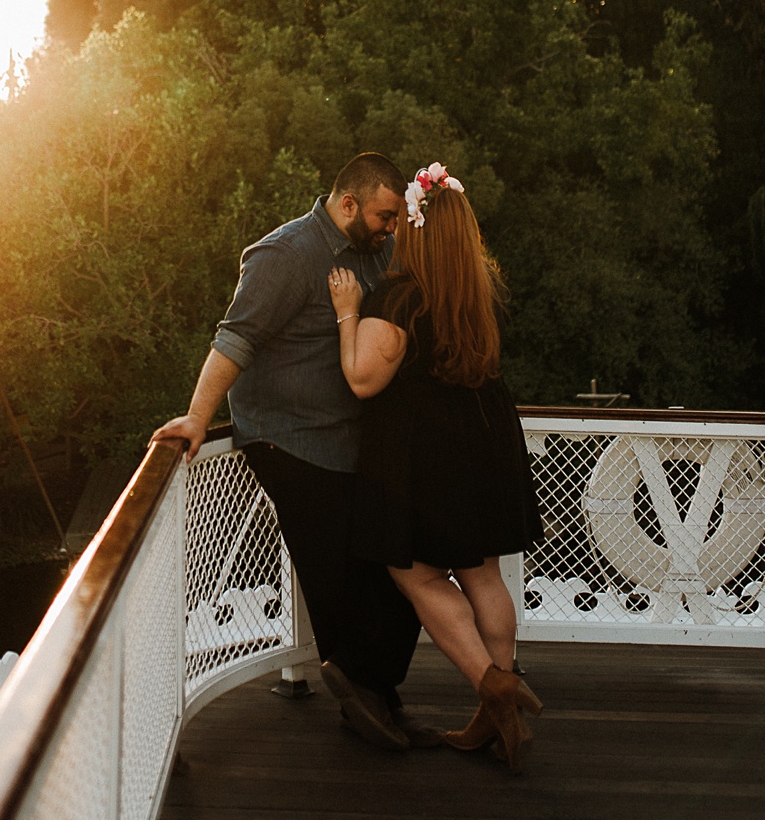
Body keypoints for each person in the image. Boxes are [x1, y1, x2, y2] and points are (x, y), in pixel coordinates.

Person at [150, 153, 438, 752]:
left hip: (354, 440)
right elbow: (237, 338)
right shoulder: (287, 254)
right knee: (338, 578)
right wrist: (199, 418)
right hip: (290, 440)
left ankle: (373, 695)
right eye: (385, 215)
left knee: (399, 568)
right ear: (348, 202)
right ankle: (375, 703)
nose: (393, 226)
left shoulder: (378, 251)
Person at [326, 161, 544, 773]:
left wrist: (348, 310)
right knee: (483, 575)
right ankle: (499, 711)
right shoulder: (477, 293)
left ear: (416, 232)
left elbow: (363, 379)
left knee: (418, 576)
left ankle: (493, 689)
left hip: (425, 458)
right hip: (483, 445)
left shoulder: (396, 295)